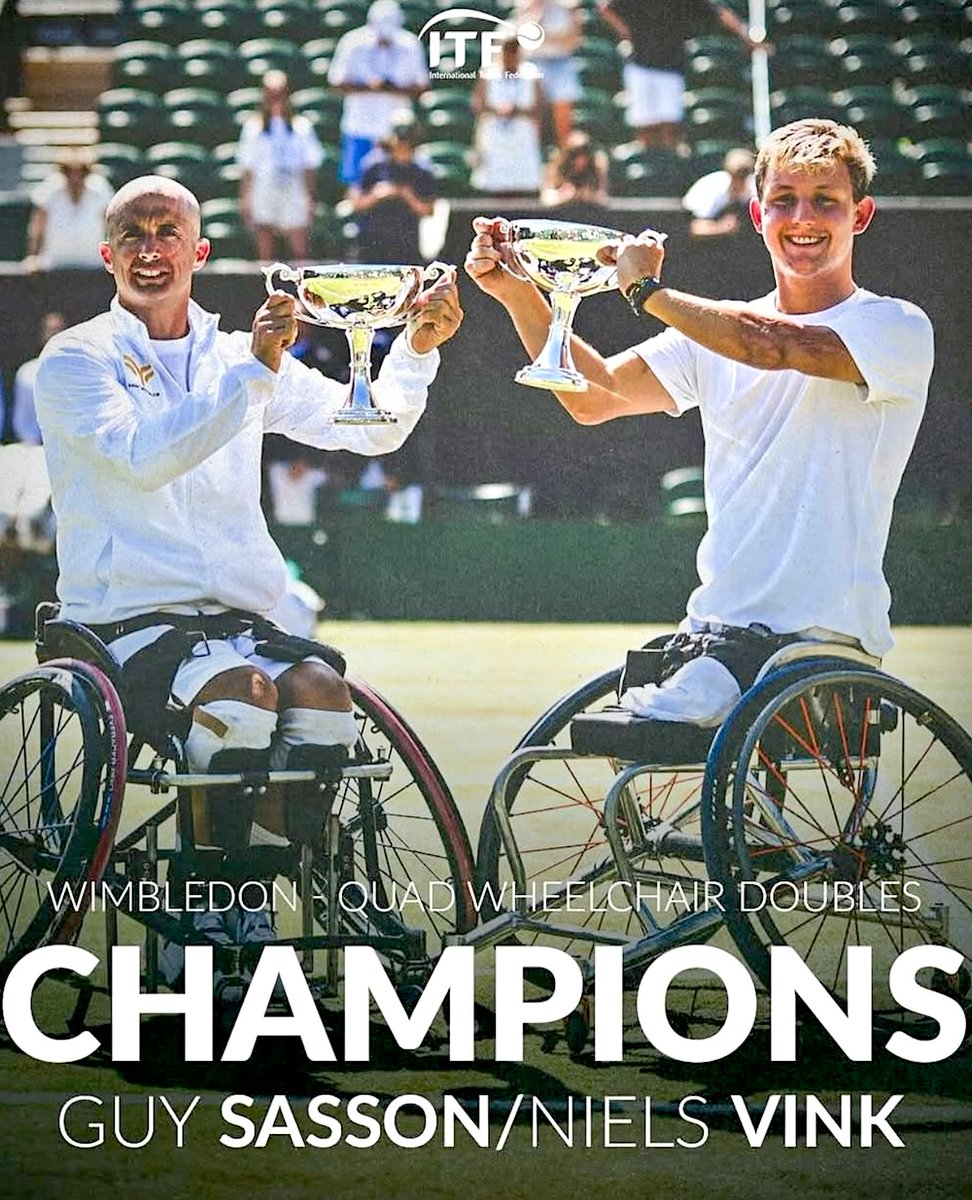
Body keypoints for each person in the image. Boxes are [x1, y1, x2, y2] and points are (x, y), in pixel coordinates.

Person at [34, 175, 462, 990]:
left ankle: (259, 890)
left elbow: (368, 429)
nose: (151, 249)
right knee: (241, 698)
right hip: (123, 622)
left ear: (199, 252)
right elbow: (144, 457)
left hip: (237, 618)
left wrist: (415, 350)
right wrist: (257, 371)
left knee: (324, 692)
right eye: (134, 234)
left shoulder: (237, 353)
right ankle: (203, 910)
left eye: (168, 233)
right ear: (107, 254)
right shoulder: (75, 360)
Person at [465, 119, 934, 724]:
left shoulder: (897, 326)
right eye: (784, 201)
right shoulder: (717, 333)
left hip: (824, 642)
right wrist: (515, 293)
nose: (803, 219)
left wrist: (647, 292)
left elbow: (772, 346)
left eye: (826, 201)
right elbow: (595, 395)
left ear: (860, 215)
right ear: (758, 215)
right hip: (714, 637)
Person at [598, 0, 757, 150]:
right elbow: (606, 7)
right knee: (644, 128)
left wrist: (746, 36)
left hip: (671, 70)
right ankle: (650, 175)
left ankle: (669, 171)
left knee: (670, 129)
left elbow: (718, 12)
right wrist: (625, 31)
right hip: (641, 68)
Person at [328, 0, 428, 186]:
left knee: (398, 185)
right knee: (356, 186)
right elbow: (336, 82)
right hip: (360, 127)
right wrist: (368, 86)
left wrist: (391, 88)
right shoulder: (352, 42)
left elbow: (421, 86)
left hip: (397, 134)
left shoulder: (410, 44)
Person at [237, 70, 324, 262]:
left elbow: (309, 166)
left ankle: (300, 286)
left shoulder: (303, 127)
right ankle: (264, 284)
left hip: (294, 187)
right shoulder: (253, 128)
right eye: (270, 95)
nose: (275, 100)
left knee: (298, 241)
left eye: (280, 94)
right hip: (264, 188)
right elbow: (247, 168)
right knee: (264, 236)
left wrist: (310, 197)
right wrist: (246, 198)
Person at [349, 118, 437, 264]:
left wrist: (408, 196)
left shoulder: (422, 170)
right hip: (372, 241)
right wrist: (377, 194)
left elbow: (428, 210)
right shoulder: (374, 165)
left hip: (405, 243)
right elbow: (356, 203)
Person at [472, 38, 543, 197]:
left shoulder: (532, 74)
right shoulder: (488, 74)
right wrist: (498, 110)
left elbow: (539, 108)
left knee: (524, 189)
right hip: (495, 140)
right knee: (494, 188)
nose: (511, 56)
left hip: (522, 140)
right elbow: (478, 106)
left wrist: (515, 110)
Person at [24, 148, 113, 271]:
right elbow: (37, 226)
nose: (75, 177)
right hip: (54, 263)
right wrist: (33, 256)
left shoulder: (100, 189)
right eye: (68, 172)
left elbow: (111, 226)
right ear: (63, 172)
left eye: (81, 172)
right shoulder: (50, 189)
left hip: (93, 263)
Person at [514, 0, 582, 149]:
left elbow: (574, 40)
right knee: (531, 112)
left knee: (563, 115)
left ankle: (565, 155)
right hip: (532, 64)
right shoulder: (523, 7)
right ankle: (530, 154)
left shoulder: (567, 6)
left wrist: (543, 36)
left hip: (560, 63)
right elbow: (519, 40)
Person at [9, 311, 65, 445]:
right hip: (35, 449)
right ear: (42, 334)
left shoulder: (81, 371)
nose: (53, 335)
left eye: (58, 330)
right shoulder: (26, 373)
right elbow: (22, 422)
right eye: (50, 330)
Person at [682, 147, 756, 237]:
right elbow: (694, 228)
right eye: (736, 176)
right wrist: (722, 227)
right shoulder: (711, 187)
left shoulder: (754, 186)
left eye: (744, 175)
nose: (740, 181)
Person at [541, 131, 609, 209]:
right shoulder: (556, 165)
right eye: (575, 154)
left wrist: (590, 195)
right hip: (561, 212)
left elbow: (603, 197)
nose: (580, 160)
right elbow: (546, 198)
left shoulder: (597, 165)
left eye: (584, 152)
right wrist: (562, 195)